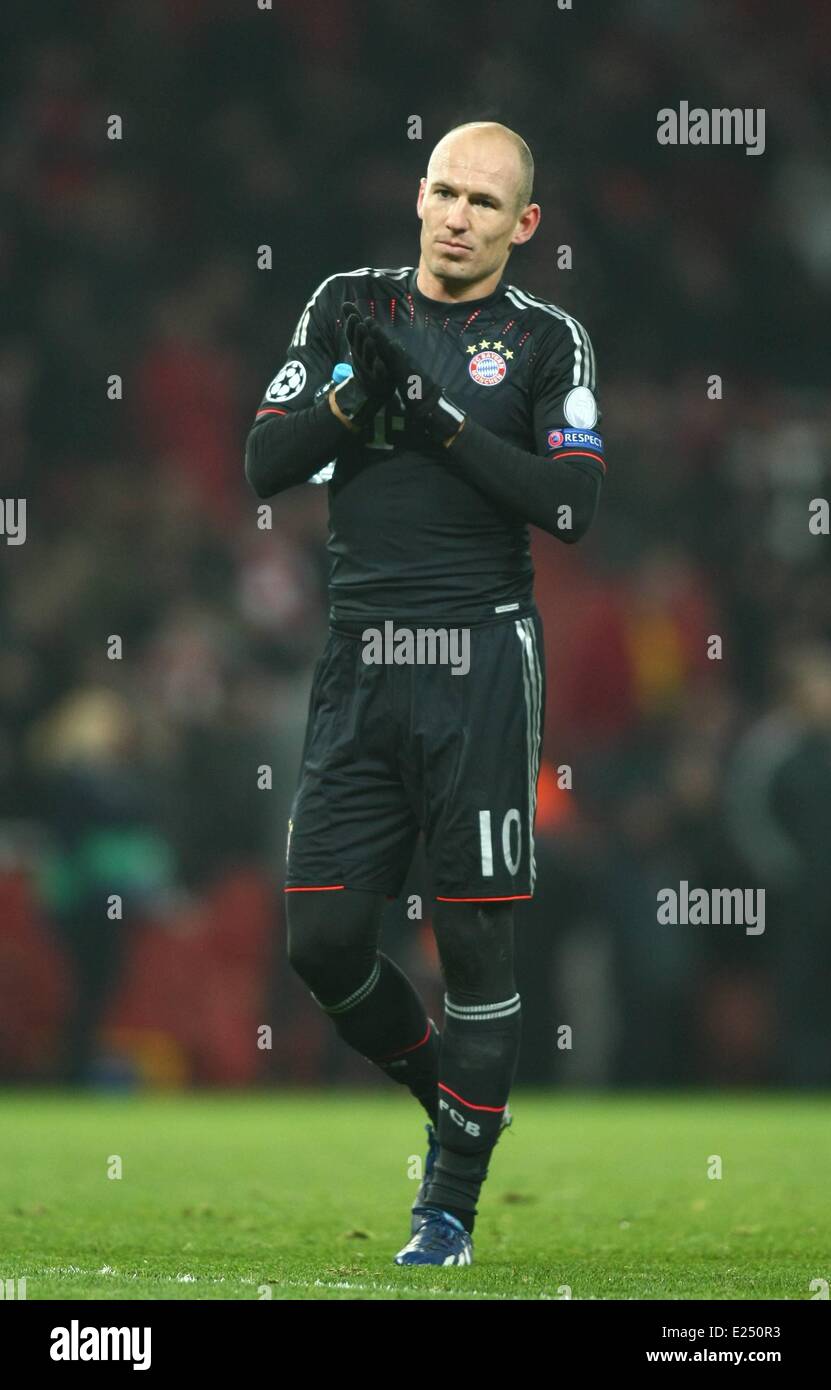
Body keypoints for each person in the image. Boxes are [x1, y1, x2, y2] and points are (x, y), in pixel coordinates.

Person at [244, 121, 607, 1266]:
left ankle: (443, 1212)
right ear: (418, 194)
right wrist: (359, 400)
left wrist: (437, 418)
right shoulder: (346, 301)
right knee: (322, 938)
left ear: (523, 226)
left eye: (485, 203)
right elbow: (265, 464)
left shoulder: (547, 340)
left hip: (484, 660)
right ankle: (457, 1106)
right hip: (361, 660)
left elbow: (570, 505)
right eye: (444, 191)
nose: (458, 216)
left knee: (476, 950)